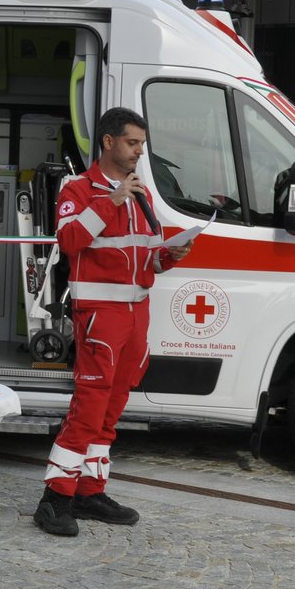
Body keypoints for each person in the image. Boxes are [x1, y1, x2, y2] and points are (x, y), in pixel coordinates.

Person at [35, 108, 191, 537]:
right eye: (132, 143)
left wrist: (168, 255)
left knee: (111, 410)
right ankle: (55, 499)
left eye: (141, 143)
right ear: (108, 142)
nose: (140, 151)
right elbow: (68, 241)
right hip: (100, 318)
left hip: (135, 315)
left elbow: (146, 258)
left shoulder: (140, 193)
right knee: (88, 409)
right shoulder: (80, 189)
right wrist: (112, 200)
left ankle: (89, 491)